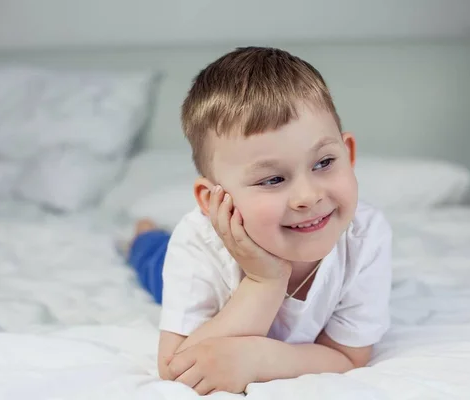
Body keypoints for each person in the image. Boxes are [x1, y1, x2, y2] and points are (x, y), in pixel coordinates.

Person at [122, 46, 392, 395]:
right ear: (213, 199)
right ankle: (144, 234)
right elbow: (177, 366)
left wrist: (263, 359)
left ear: (348, 153)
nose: (308, 197)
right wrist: (265, 280)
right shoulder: (198, 243)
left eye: (324, 162)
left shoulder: (365, 234)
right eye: (273, 179)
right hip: (210, 287)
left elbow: (348, 356)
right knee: (152, 262)